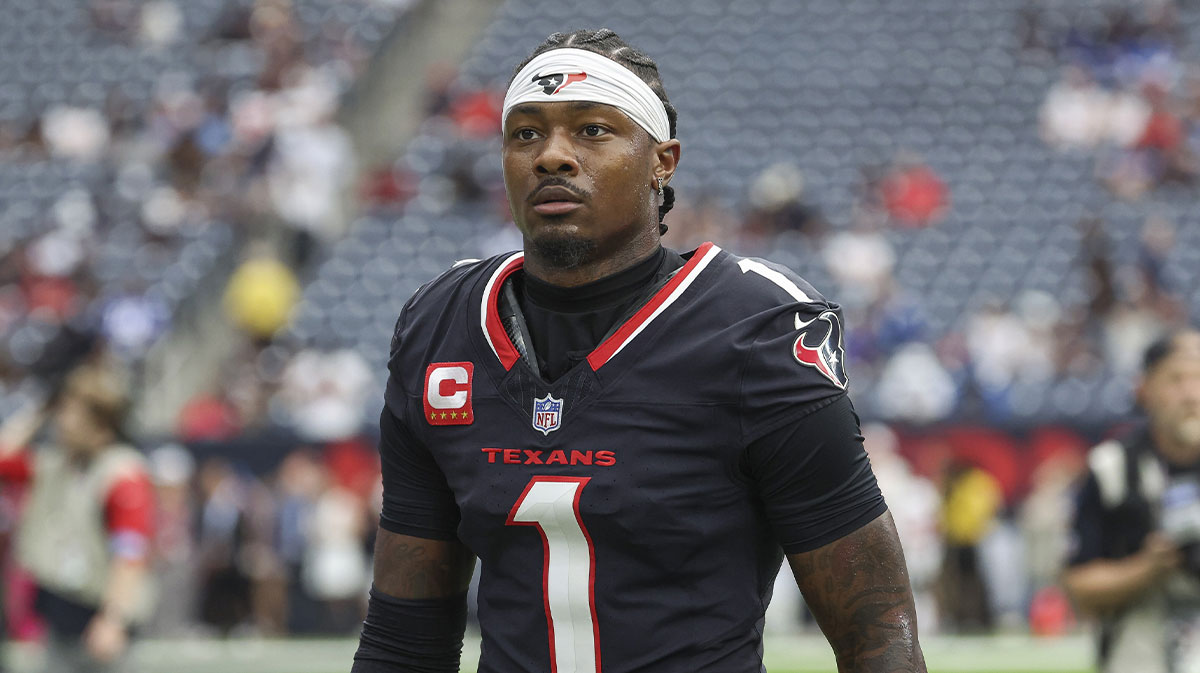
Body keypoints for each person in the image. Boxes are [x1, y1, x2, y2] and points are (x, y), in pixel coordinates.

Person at [352, 29, 926, 673]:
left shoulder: (753, 326)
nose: (551, 156)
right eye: (526, 134)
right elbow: (404, 640)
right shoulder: (440, 321)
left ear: (663, 161)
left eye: (593, 130)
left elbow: (877, 634)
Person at [0, 363, 156, 672]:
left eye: (75, 415)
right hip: (59, 613)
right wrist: (41, 409)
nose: (64, 423)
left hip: (100, 619)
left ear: (102, 426)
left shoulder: (122, 474)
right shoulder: (55, 463)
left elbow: (130, 555)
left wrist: (113, 620)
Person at [1063, 329, 1200, 673]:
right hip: (1139, 650)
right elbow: (1078, 585)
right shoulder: (1112, 468)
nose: (1191, 394)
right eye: (1176, 379)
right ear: (1144, 388)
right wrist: (1147, 567)